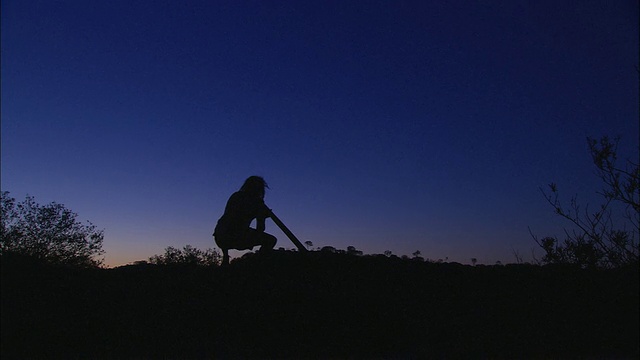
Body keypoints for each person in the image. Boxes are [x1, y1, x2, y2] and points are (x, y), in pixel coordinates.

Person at [213, 176, 277, 265]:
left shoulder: (236, 196)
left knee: (233, 230)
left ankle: (226, 258)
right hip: (234, 236)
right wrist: (262, 217)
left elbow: (226, 221)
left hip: (221, 236)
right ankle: (260, 264)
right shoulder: (255, 203)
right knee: (271, 240)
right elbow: (260, 229)